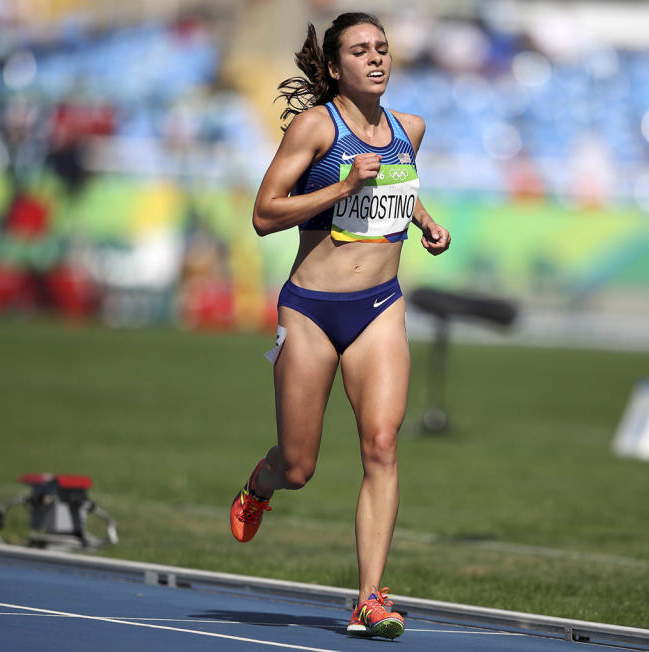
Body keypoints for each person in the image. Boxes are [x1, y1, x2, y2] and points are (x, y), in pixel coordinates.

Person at [228, 12, 450, 640]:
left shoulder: (410, 128)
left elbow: (394, 187)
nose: (377, 59)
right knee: (300, 466)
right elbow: (264, 215)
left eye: (383, 48)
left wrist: (426, 222)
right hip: (311, 311)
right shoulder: (315, 128)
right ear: (334, 68)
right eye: (360, 51)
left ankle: (369, 598)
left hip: (380, 306)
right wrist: (340, 186)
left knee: (382, 444)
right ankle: (261, 483)